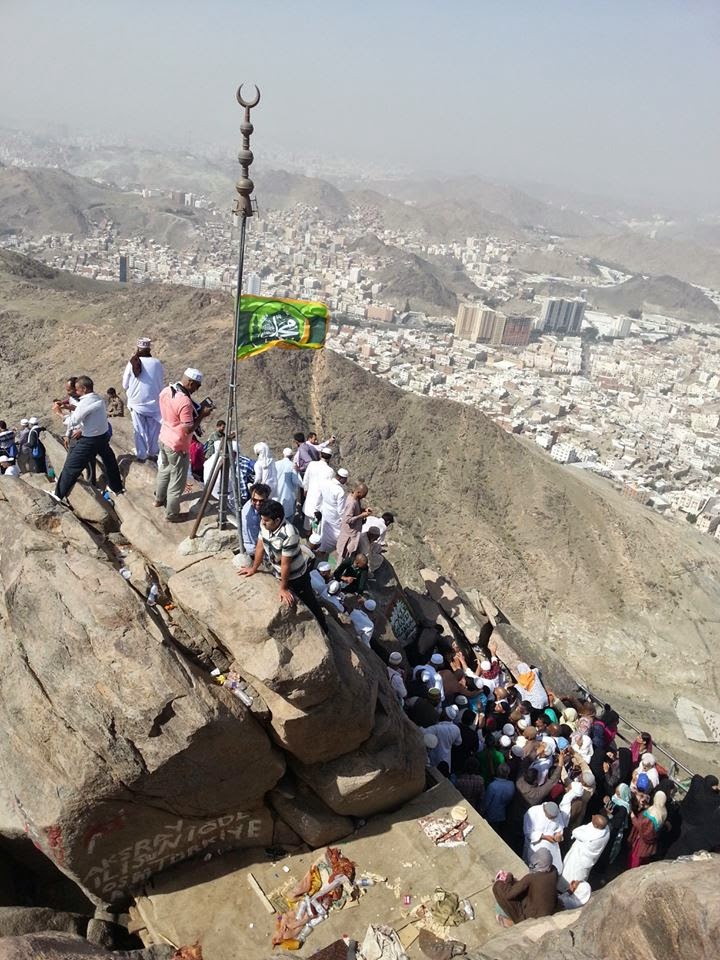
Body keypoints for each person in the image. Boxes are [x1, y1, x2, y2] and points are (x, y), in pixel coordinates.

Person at [238, 499, 326, 625]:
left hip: (297, 576)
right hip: (279, 571)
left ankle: (323, 625)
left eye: (266, 520)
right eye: (262, 519)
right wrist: (253, 568)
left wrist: (283, 588)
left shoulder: (289, 534)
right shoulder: (265, 525)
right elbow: (260, 546)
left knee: (309, 601)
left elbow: (286, 564)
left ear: (277, 520)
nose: (263, 522)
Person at [155, 368, 212, 522]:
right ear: (191, 382)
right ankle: (172, 515)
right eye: (197, 386)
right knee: (177, 481)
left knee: (164, 470)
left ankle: (159, 499)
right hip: (177, 444)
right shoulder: (184, 401)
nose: (197, 389)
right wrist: (202, 415)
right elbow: (188, 429)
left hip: (164, 436)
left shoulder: (167, 390)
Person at [53, 376, 123, 502]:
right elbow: (86, 411)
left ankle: (58, 495)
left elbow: (73, 421)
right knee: (110, 462)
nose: (76, 392)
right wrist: (68, 407)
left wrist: (59, 413)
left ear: (84, 389)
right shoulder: (97, 398)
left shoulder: (85, 402)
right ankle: (116, 487)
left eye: (77, 389)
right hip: (102, 437)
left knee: (71, 467)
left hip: (89, 439)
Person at [122, 337, 164, 461]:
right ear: (149, 349)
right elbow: (160, 382)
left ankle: (141, 454)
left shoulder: (132, 362)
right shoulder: (157, 363)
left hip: (136, 402)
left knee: (139, 429)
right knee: (152, 429)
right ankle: (152, 451)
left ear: (138, 348)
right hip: (153, 403)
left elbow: (125, 384)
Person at [492, 848, 558, 927]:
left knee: (499, 890)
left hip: (531, 918)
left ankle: (513, 922)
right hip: (547, 912)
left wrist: (508, 876)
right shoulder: (554, 871)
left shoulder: (531, 877)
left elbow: (508, 895)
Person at [561, 815, 610, 883]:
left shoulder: (591, 838)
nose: (592, 816)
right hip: (588, 861)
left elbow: (575, 831)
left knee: (571, 874)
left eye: (593, 820)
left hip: (579, 858)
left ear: (595, 826)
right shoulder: (606, 830)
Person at [523, 801, 567, 871]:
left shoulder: (557, 814)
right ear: (544, 810)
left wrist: (558, 835)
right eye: (550, 817)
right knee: (531, 863)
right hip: (533, 844)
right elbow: (528, 832)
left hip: (551, 846)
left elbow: (559, 828)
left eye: (553, 818)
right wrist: (544, 837)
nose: (552, 819)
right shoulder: (532, 812)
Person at [628, 790, 666, 868]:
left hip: (642, 843)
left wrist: (633, 817)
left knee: (636, 859)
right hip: (651, 843)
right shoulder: (664, 811)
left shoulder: (652, 815)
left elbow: (643, 829)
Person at [316, 467, 349, 554]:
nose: (346, 481)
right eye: (345, 479)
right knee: (335, 533)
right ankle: (332, 551)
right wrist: (344, 520)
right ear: (341, 478)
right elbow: (341, 510)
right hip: (334, 514)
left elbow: (319, 497)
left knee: (325, 530)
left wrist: (317, 508)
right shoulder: (340, 491)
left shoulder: (326, 483)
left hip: (325, 510)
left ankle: (323, 548)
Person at [302, 447, 334, 532]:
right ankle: (313, 536)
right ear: (329, 458)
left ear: (320, 455)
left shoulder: (312, 464)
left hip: (310, 494)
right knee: (316, 519)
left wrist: (305, 489)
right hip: (321, 499)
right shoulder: (330, 471)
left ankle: (307, 533)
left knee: (308, 517)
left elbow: (306, 478)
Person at [336, 482, 371, 559]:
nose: (364, 497)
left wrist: (364, 510)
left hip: (352, 533)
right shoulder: (352, 503)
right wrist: (361, 516)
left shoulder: (355, 499)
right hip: (348, 536)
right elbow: (348, 520)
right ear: (358, 492)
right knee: (343, 555)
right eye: (363, 495)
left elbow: (355, 511)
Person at [482, 764, 516, 830]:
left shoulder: (493, 786)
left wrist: (481, 812)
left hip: (491, 815)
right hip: (503, 814)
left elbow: (486, 803)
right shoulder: (511, 784)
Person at [241, 483, 271, 556]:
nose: (258, 503)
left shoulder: (266, 504)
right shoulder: (250, 516)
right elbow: (256, 540)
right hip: (254, 547)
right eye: (254, 500)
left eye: (261, 500)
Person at [275, 446, 301, 521]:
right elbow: (296, 481)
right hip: (289, 495)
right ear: (292, 456)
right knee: (288, 516)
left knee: (277, 514)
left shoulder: (276, 464)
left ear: (283, 454)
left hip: (277, 493)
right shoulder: (293, 465)